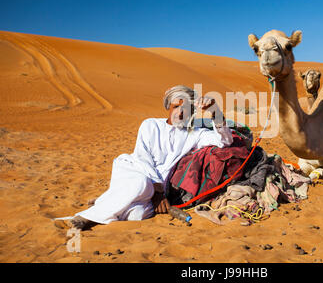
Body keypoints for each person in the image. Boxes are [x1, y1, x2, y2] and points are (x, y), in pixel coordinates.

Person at [70, 85, 233, 230]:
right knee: (140, 184)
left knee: (138, 215)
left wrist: (215, 112)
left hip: (158, 188)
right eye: (176, 106)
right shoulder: (150, 124)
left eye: (187, 109)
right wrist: (158, 191)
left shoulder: (195, 133)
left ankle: (106, 200)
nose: (181, 112)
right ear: (169, 106)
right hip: (135, 170)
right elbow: (143, 158)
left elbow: (225, 141)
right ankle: (86, 217)